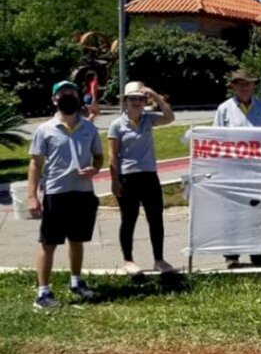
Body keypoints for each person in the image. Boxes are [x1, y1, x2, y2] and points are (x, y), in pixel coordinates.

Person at [26, 80, 104, 309]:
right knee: (48, 243)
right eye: (62, 93)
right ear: (54, 100)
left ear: (79, 98)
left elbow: (98, 156)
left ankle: (76, 281)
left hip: (82, 193)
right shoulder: (45, 130)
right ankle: (43, 292)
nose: (68, 96)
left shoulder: (89, 128)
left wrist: (95, 169)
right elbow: (35, 164)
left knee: (77, 240)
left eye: (72, 92)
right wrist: (32, 196)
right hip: (56, 193)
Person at [108, 81, 176, 276]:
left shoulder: (148, 119)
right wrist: (115, 180)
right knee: (128, 219)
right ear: (125, 101)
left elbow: (170, 117)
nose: (137, 102)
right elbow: (113, 155)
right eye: (132, 99)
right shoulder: (116, 125)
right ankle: (128, 260)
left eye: (140, 99)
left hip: (149, 176)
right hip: (128, 177)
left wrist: (155, 94)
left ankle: (159, 259)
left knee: (156, 219)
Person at [214, 69, 261, 266]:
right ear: (234, 87)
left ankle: (256, 252)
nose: (245, 87)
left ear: (253, 86)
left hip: (256, 170)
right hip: (232, 170)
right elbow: (217, 139)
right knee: (233, 214)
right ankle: (231, 255)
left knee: (256, 213)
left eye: (248, 84)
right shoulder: (224, 109)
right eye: (240, 84)